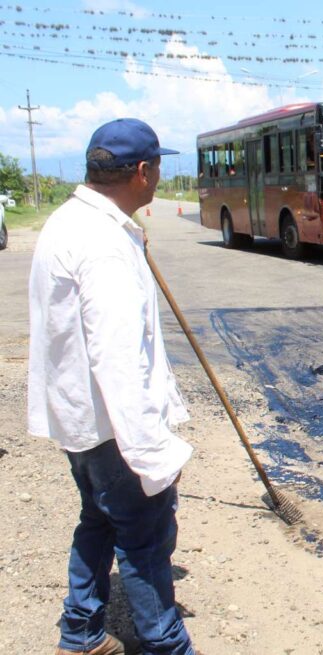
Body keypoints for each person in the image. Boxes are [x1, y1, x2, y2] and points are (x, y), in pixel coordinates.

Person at [28, 118, 198, 655]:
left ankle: (80, 633)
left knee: (98, 520)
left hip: (81, 419)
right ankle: (165, 644)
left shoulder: (71, 221)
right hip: (113, 426)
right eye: (158, 167)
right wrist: (151, 453)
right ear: (143, 171)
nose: (158, 177)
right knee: (146, 541)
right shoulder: (103, 244)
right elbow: (117, 358)